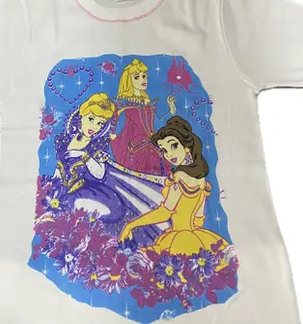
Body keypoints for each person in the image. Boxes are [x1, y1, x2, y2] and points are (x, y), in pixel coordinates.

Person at [47, 93, 168, 245]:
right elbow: (59, 170)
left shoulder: (96, 146)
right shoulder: (63, 142)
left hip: (94, 194)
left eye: (100, 123)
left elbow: (100, 174)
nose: (94, 127)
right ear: (81, 116)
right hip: (64, 194)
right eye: (91, 119)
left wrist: (85, 156)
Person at [119, 116, 229, 256]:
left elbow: (164, 213)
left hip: (179, 239)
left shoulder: (179, 179)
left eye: (174, 146)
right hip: (197, 236)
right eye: (164, 150)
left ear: (187, 147)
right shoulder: (201, 180)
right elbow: (199, 219)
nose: (169, 154)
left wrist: (131, 225)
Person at [110, 58, 177, 175]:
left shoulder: (149, 102)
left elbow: (156, 124)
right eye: (137, 77)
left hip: (154, 143)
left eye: (144, 76)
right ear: (128, 80)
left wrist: (170, 112)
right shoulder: (123, 103)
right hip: (136, 148)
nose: (143, 79)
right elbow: (116, 124)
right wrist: (113, 135)